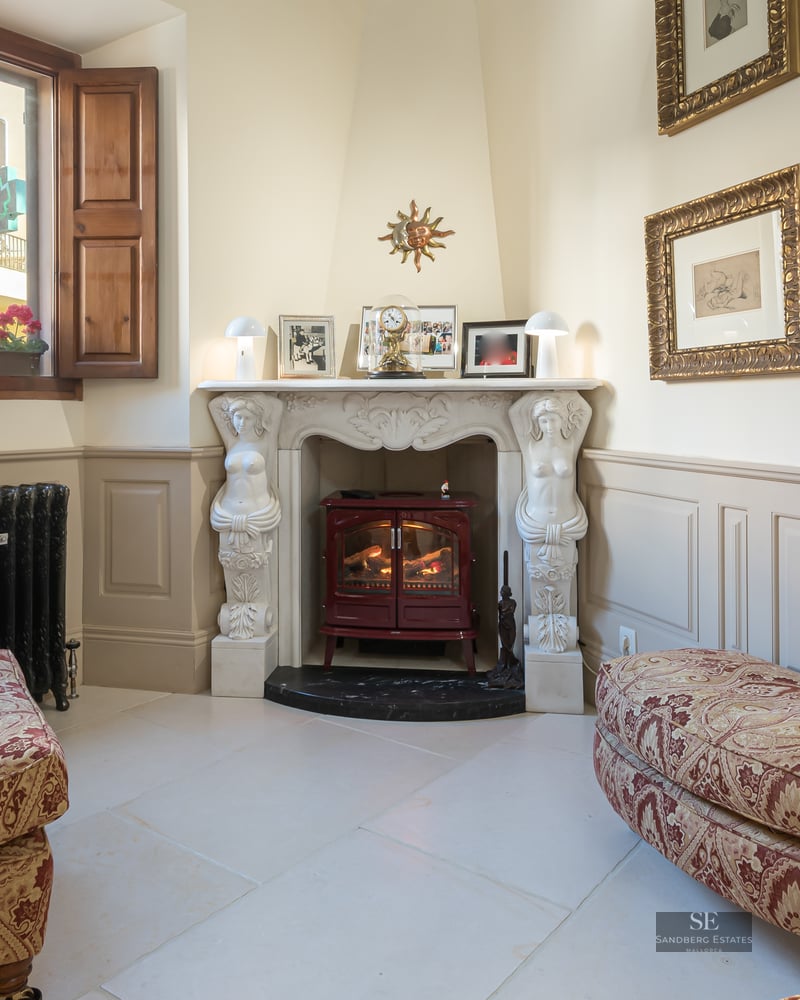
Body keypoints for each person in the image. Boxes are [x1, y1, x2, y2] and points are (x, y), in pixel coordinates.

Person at [210, 397, 280, 555]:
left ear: (257, 420)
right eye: (238, 417)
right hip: (227, 512)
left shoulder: (266, 442)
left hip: (258, 513)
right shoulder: (231, 442)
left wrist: (253, 400)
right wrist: (240, 400)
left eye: (247, 418)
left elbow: (277, 405)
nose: (241, 423)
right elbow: (213, 405)